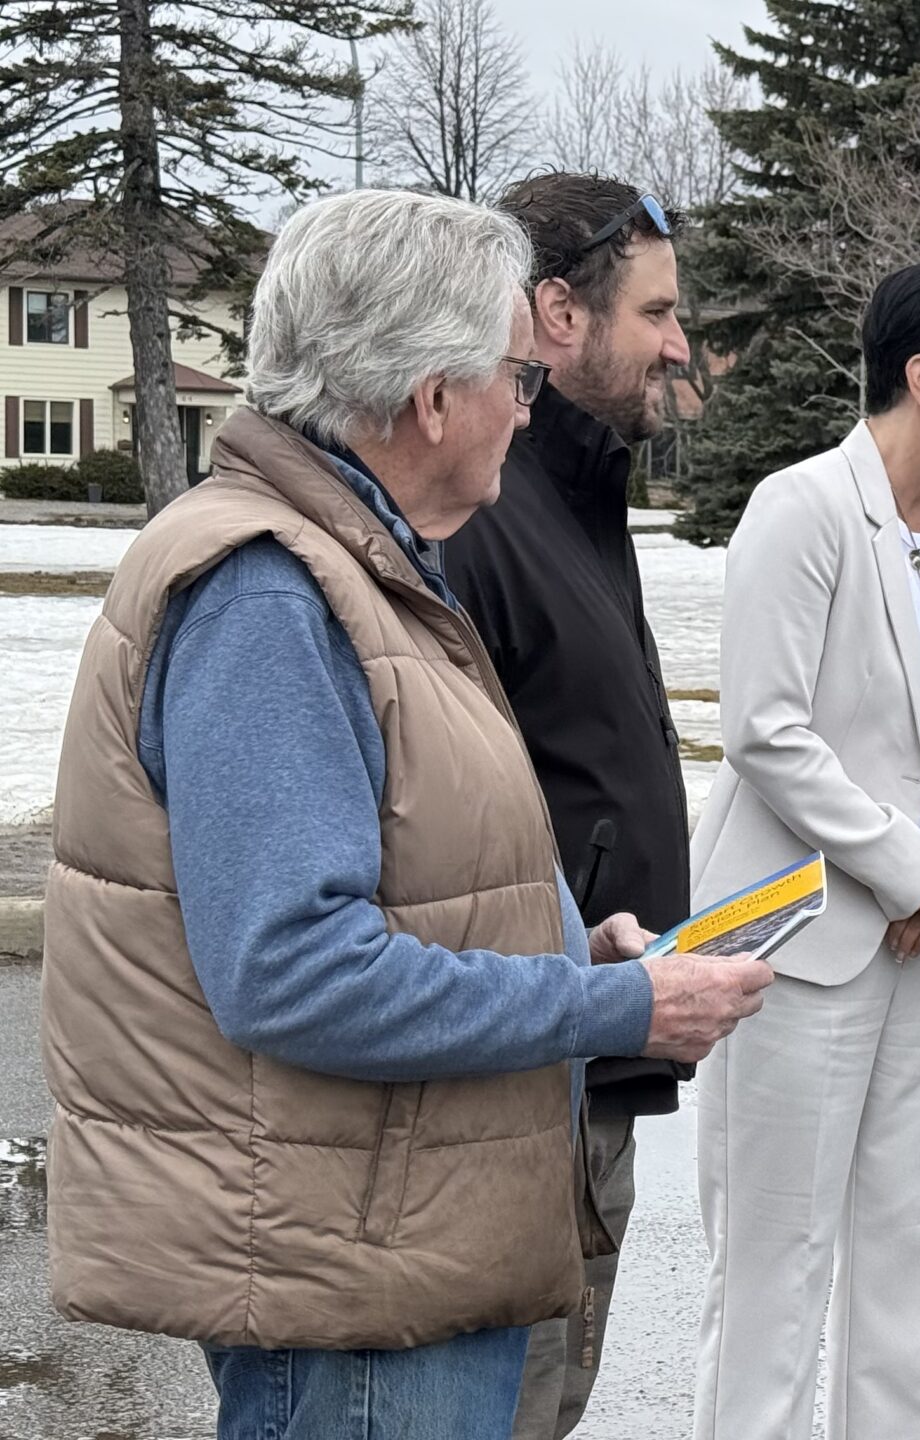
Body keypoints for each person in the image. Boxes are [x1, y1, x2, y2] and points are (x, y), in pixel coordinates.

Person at [40, 188, 771, 1440]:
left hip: (387, 1237)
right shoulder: (269, 594)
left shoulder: (360, 563)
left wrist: (572, 956)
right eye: (516, 378)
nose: (527, 408)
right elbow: (295, 972)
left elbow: (405, 877)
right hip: (355, 1283)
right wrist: (615, 1009)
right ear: (433, 397)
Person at [688, 260, 920, 1439]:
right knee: (773, 1264)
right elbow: (765, 731)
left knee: (899, 1243)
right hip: (796, 945)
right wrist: (914, 871)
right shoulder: (801, 509)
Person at [439, 172, 698, 1440]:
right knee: (510, 1408)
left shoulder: (581, 493)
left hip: (589, 1046)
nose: (679, 345)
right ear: (556, 315)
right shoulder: (482, 515)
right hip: (521, 1084)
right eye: (656, 312)